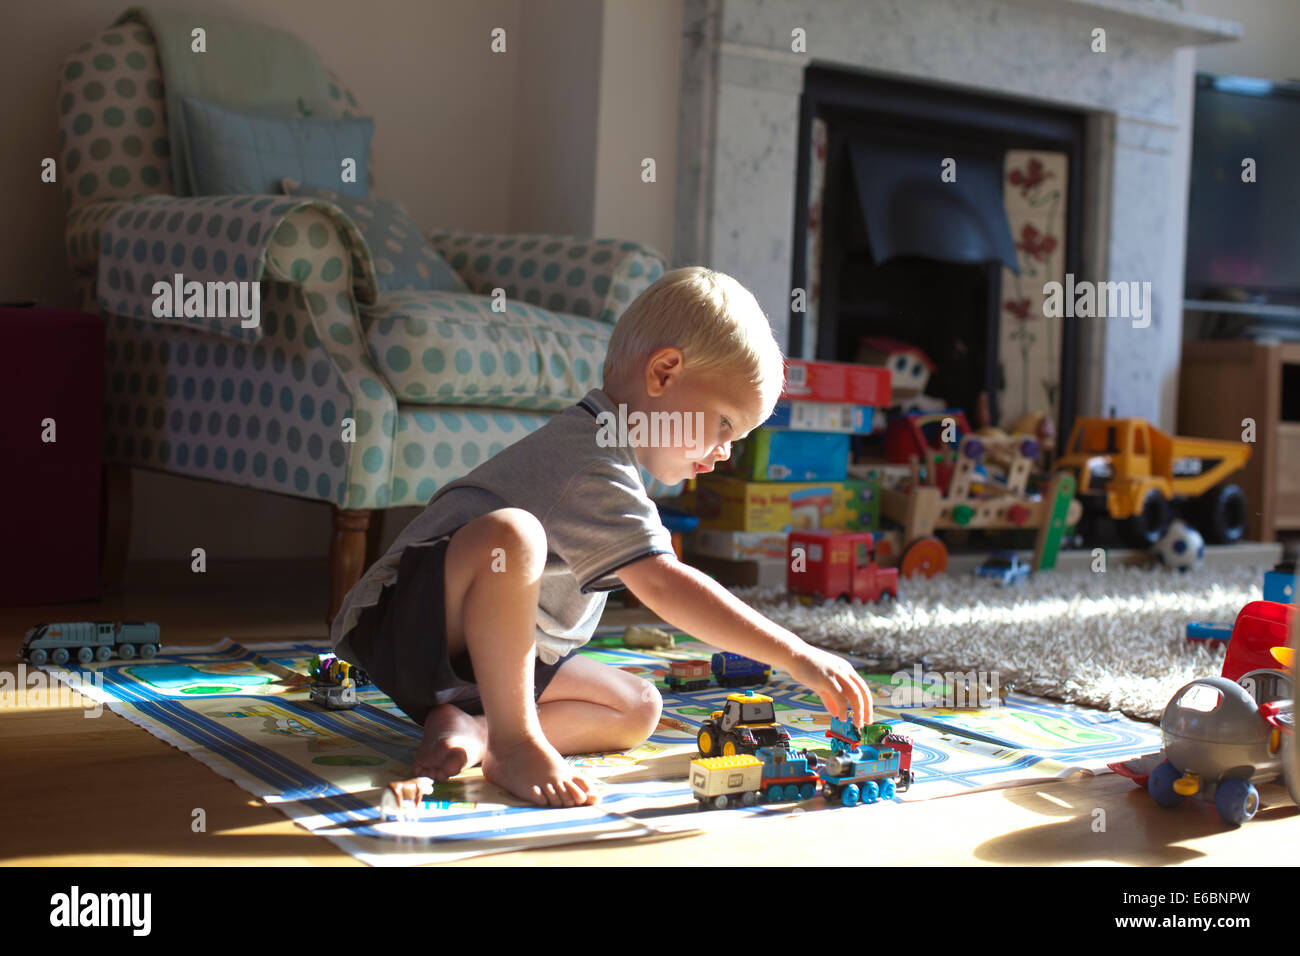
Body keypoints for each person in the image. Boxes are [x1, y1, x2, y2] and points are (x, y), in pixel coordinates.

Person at [330, 266, 874, 808]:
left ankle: (480, 731)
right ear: (663, 373)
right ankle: (518, 742)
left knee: (638, 707)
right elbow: (663, 587)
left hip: (485, 664)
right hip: (406, 624)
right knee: (512, 536)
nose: (726, 451)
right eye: (726, 425)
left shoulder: (618, 464)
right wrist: (798, 654)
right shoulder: (589, 460)